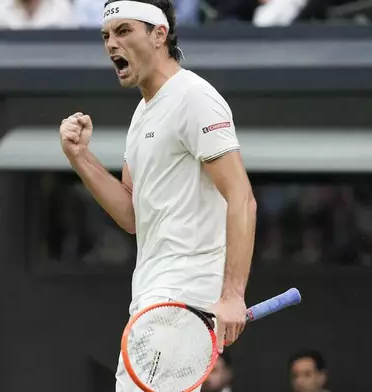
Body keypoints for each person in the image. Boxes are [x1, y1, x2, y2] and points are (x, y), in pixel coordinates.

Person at [58, 0, 257, 390]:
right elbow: (132, 215)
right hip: (152, 295)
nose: (111, 44)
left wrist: (233, 295)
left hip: (183, 297)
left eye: (124, 31)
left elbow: (242, 197)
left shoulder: (194, 97)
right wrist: (81, 158)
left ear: (159, 34)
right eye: (106, 35)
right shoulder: (143, 113)